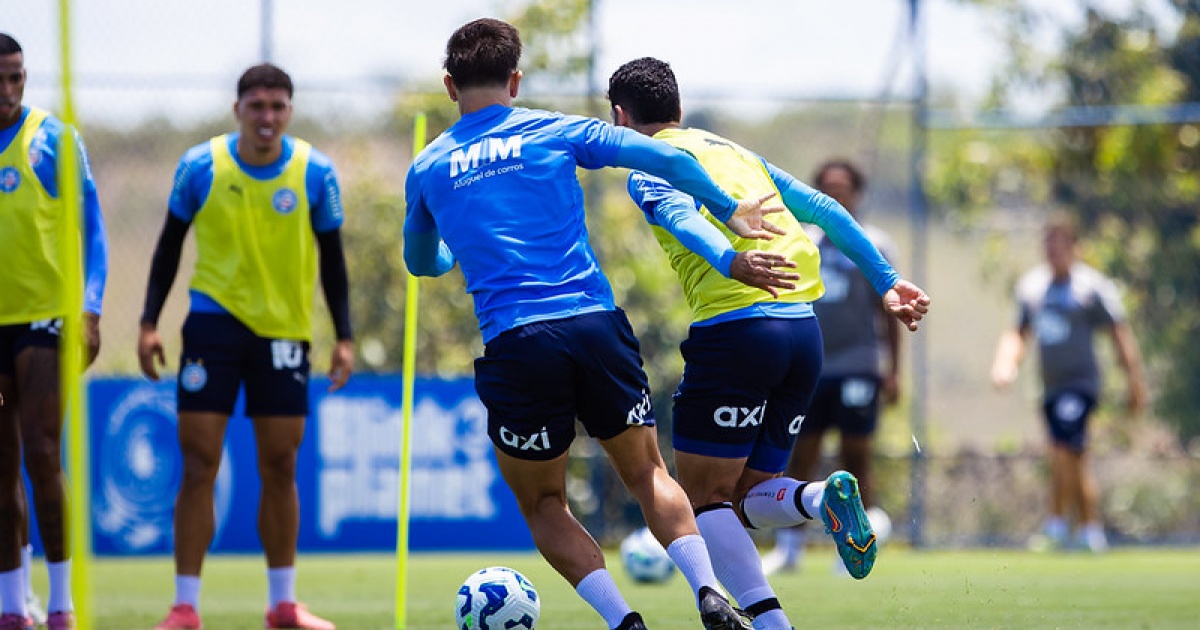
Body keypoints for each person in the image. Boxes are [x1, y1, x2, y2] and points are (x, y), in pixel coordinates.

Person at [404, 18, 795, 630]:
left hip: (518, 341)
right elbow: (661, 154)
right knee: (647, 473)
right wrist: (726, 208)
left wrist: (454, 249)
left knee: (543, 501)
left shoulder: (428, 167)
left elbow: (420, 261)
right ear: (515, 80)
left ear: (450, 86)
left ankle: (624, 622)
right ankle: (708, 590)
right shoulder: (555, 130)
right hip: (595, 325)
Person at [607, 57, 929, 630]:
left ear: (619, 117)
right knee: (749, 495)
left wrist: (729, 260)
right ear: (679, 108)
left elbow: (680, 217)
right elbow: (825, 208)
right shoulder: (734, 152)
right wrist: (886, 280)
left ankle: (775, 615)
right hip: (803, 334)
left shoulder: (647, 163)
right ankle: (816, 499)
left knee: (703, 498)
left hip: (737, 332)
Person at [138, 63, 354, 630]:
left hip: (284, 332)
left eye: (278, 106)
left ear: (290, 111)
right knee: (198, 463)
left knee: (280, 464)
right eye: (257, 105)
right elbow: (167, 248)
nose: (267, 116)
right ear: (238, 109)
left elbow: (333, 262)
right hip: (212, 328)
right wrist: (148, 322)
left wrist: (345, 337)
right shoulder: (200, 166)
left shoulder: (314, 172)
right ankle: (185, 606)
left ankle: (283, 603)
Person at [0, 32, 108, 630]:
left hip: (44, 319)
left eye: (16, 77)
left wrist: (89, 310)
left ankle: (63, 601)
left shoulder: (53, 140)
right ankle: (12, 605)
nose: (8, 90)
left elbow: (93, 228)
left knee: (43, 451)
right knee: (1, 465)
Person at [760, 159, 902, 576]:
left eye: (844, 188)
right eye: (828, 188)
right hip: (812, 367)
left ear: (857, 194)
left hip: (859, 365)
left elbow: (888, 310)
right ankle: (790, 548)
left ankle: (857, 545)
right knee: (801, 453)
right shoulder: (803, 242)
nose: (836, 195)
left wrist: (894, 370)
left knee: (856, 455)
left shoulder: (874, 243)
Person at [991, 214, 1147, 553]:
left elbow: (1118, 333)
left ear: (1075, 248)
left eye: (1060, 247)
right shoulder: (1032, 288)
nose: (1054, 254)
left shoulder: (1091, 287)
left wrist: (1134, 381)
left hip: (1081, 385)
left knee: (1064, 449)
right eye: (1049, 247)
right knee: (1068, 455)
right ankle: (1088, 530)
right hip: (1050, 387)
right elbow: (1018, 332)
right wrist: (1005, 364)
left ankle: (1058, 524)